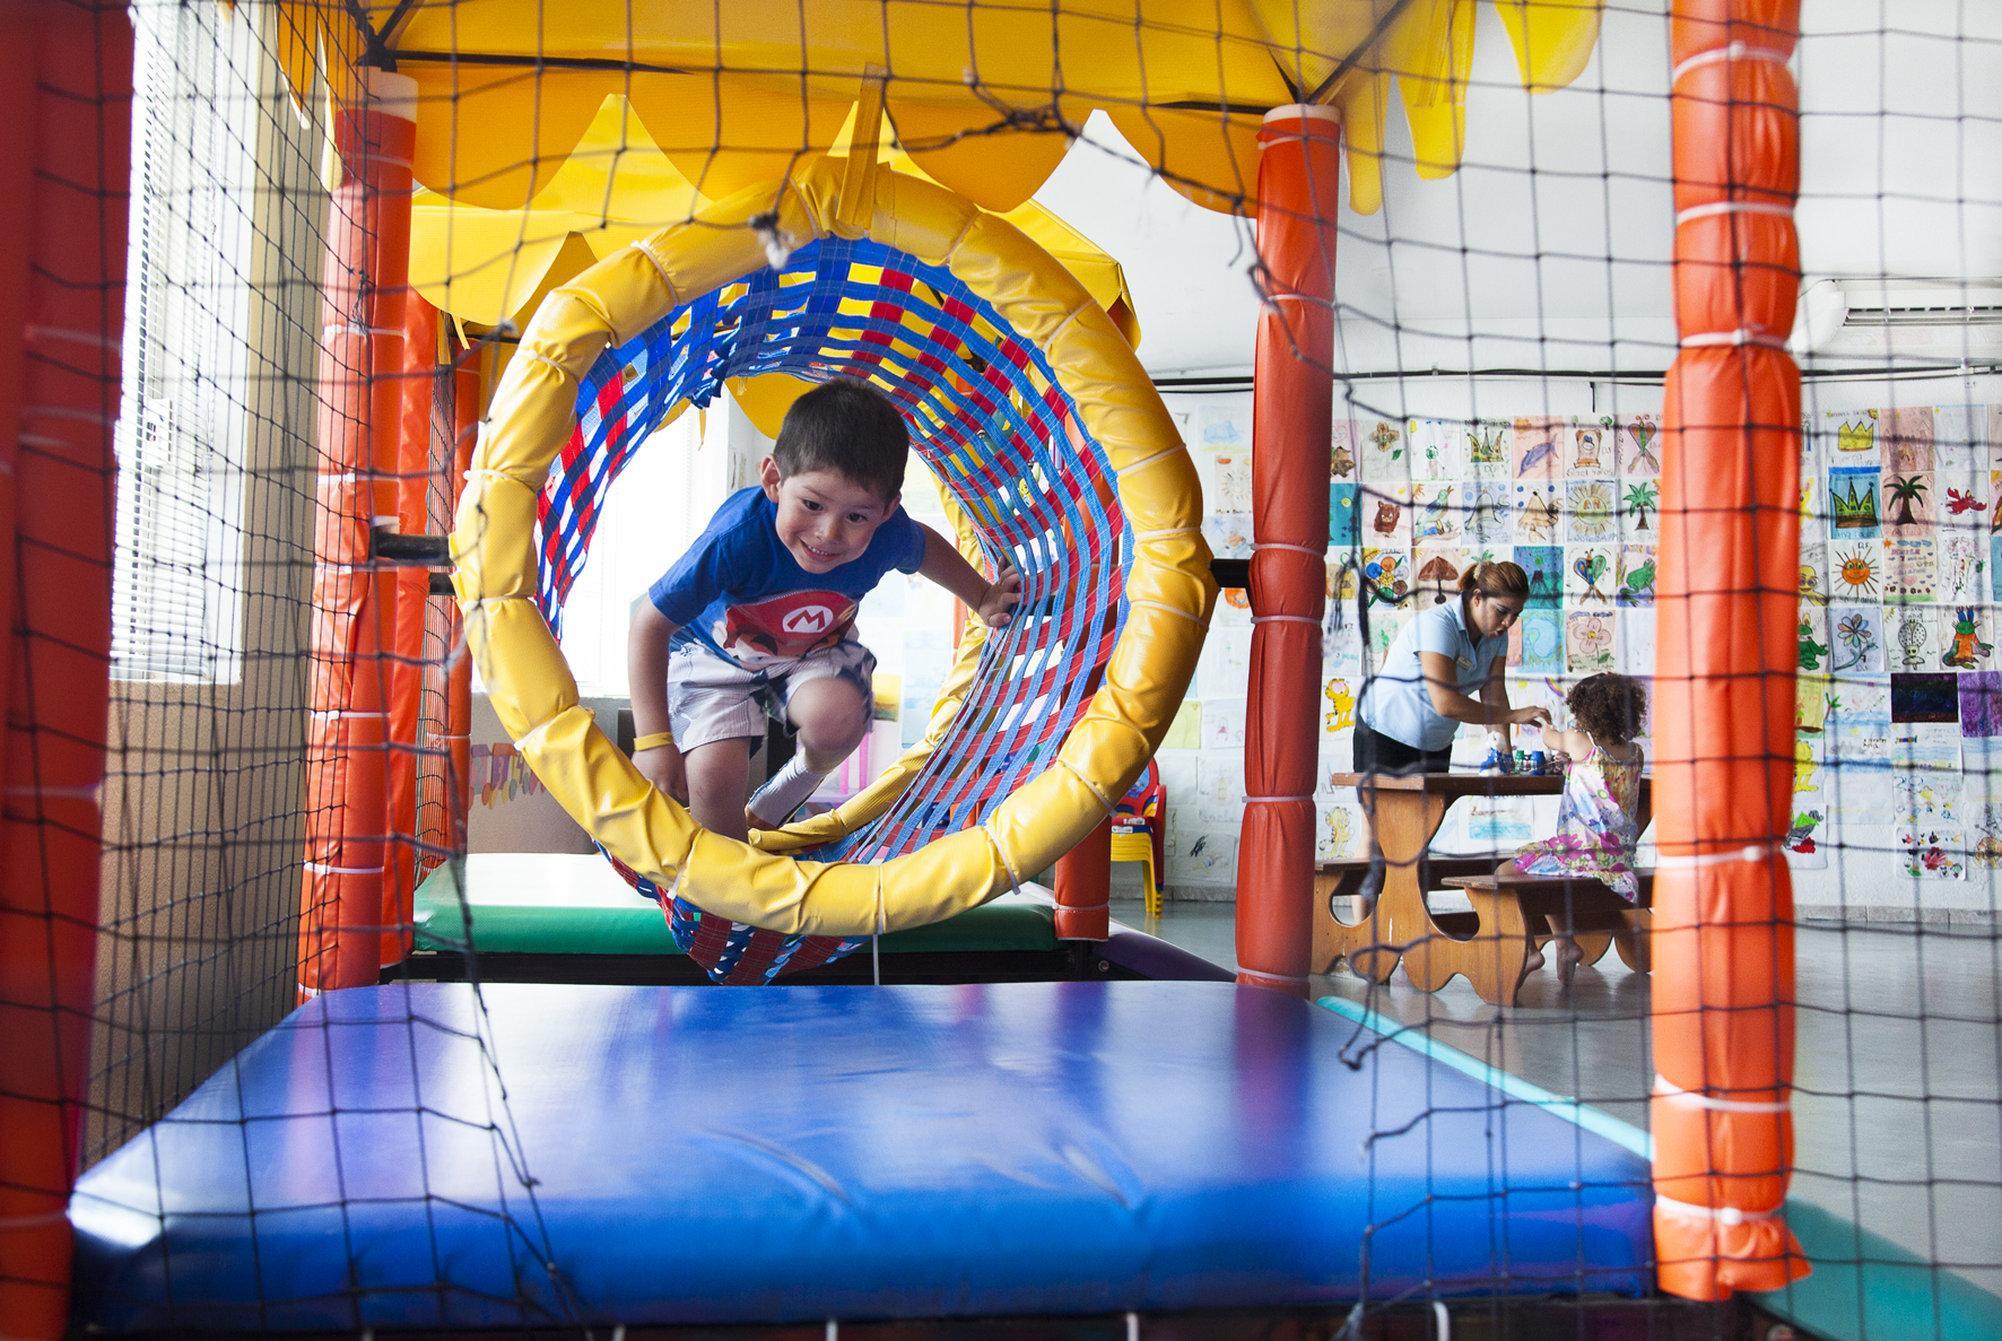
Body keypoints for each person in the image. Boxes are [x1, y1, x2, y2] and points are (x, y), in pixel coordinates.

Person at [629, 378, 1019, 842]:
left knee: (836, 719)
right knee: (713, 778)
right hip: (715, 655)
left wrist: (982, 597)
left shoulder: (887, 534)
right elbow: (648, 626)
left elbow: (927, 549)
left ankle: (781, 796)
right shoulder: (735, 541)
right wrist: (653, 742)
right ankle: (727, 883)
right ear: (773, 480)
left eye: (857, 516)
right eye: (812, 504)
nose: (828, 532)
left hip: (816, 648)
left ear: (888, 510)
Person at [1352, 560, 1551, 912]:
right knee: (1378, 836)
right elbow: (1445, 702)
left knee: (1418, 843)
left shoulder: (1497, 637)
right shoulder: (1436, 625)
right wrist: (1514, 716)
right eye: (1502, 611)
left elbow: (1493, 695)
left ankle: (1412, 930)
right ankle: (1361, 940)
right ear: (1476, 598)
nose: (1508, 623)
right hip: (1382, 734)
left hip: (1434, 743)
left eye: (1515, 615)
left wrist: (1502, 748)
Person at [1504, 671, 1648, 985]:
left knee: (1509, 871)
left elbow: (1551, 739)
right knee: (1547, 876)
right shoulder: (1635, 752)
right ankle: (1564, 944)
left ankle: (1531, 948)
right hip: (1618, 856)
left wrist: (1545, 724)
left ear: (1586, 710)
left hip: (1581, 851)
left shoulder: (1577, 740)